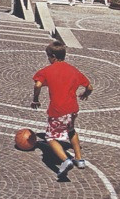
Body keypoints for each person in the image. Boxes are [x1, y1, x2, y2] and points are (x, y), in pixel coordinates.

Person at [31, 41, 93, 180]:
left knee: (50, 137)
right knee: (71, 131)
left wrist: (35, 99)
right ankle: (79, 159)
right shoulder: (73, 70)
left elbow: (38, 85)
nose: (48, 59)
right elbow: (90, 87)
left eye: (48, 56)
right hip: (73, 109)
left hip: (57, 110)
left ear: (53, 56)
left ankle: (66, 161)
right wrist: (85, 94)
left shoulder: (47, 71)